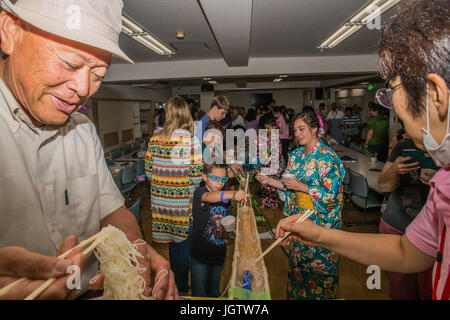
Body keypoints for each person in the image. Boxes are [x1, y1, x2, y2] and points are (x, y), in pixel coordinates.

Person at [0, 0, 176, 300]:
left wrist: (134, 252)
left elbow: (113, 212)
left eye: (98, 74)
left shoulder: (82, 130)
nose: (83, 88)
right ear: (10, 31)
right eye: (70, 63)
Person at [276, 0, 450, 300]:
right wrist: (320, 235)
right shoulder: (444, 183)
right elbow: (407, 251)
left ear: (435, 95)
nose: (405, 131)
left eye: (392, 92)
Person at [257, 110, 345, 300]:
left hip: (320, 225)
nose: (297, 134)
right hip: (298, 223)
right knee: (298, 272)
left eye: (302, 129)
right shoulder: (296, 155)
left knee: (320, 277)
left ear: (315, 129)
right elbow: (290, 186)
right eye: (295, 130)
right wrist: (270, 181)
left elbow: (331, 196)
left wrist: (302, 187)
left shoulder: (327, 158)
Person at [145, 96, 203, 296]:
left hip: (162, 205)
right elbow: (196, 176)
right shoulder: (190, 141)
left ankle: (174, 284)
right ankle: (182, 288)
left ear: (168, 114)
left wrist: (164, 183)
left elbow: (149, 173)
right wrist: (181, 186)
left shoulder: (155, 139)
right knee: (184, 248)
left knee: (173, 245)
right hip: (182, 206)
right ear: (186, 113)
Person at [378, 138, 434, 299]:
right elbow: (384, 186)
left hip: (433, 234)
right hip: (398, 226)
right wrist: (393, 170)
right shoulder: (403, 146)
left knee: (430, 290)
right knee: (401, 288)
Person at [190, 163, 248, 297]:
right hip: (200, 255)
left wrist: (233, 225)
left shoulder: (225, 199)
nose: (220, 183)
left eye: (223, 179)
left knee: (214, 292)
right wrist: (232, 194)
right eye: (215, 178)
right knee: (199, 293)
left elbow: (226, 219)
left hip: (218, 254)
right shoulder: (200, 193)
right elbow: (210, 197)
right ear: (204, 177)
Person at [259, 117, 282, 209]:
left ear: (274, 127)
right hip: (265, 163)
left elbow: (278, 153)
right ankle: (265, 203)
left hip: (273, 163)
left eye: (269, 128)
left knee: (273, 185)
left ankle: (274, 203)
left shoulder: (276, 138)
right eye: (266, 128)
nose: (267, 130)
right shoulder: (265, 137)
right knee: (264, 184)